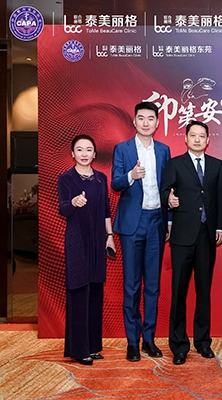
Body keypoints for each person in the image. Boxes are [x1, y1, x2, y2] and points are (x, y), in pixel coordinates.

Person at [160, 120, 222, 365]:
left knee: (203, 290)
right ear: (186, 138)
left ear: (208, 140)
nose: (197, 139)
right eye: (193, 135)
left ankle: (203, 342)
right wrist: (169, 200)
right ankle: (179, 345)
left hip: (207, 235)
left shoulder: (217, 165)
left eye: (202, 136)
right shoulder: (175, 164)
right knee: (179, 291)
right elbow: (165, 190)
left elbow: (219, 198)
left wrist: (220, 226)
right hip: (182, 236)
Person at [111, 101, 171, 362]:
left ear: (157, 123)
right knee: (132, 285)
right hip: (131, 224)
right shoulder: (122, 149)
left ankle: (149, 339)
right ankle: (132, 341)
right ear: (134, 121)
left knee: (153, 286)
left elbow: (168, 188)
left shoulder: (164, 150)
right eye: (141, 118)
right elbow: (115, 183)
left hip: (156, 221)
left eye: (151, 119)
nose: (146, 123)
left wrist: (169, 221)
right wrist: (131, 175)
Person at [58, 134, 115, 365]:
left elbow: (106, 210)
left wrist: (110, 236)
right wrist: (73, 202)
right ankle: (79, 349)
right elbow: (63, 208)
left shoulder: (101, 178)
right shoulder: (66, 178)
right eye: (79, 149)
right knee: (79, 292)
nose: (84, 154)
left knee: (95, 293)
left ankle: (92, 347)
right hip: (77, 241)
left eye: (88, 149)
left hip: (98, 240)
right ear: (72, 154)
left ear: (94, 153)